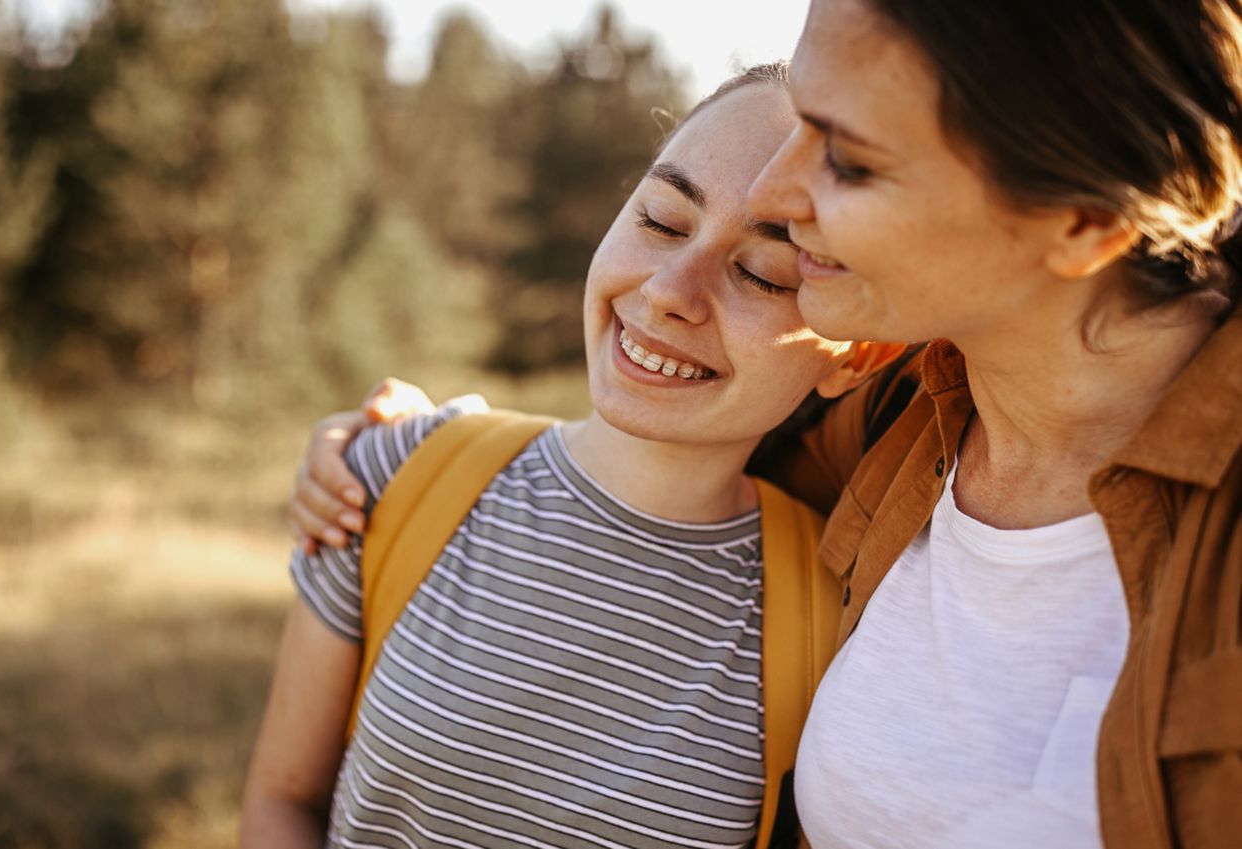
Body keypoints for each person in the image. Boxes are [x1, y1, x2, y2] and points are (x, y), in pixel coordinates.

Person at [290, 0, 1242, 846]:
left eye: (848, 156)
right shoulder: (893, 429)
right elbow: (653, 446)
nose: (782, 193)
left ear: (1081, 221)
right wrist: (413, 449)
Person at [239, 64, 905, 849]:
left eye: (761, 272)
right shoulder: (396, 476)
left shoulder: (844, 620)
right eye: (660, 220)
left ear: (856, 355)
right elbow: (283, 800)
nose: (668, 290)